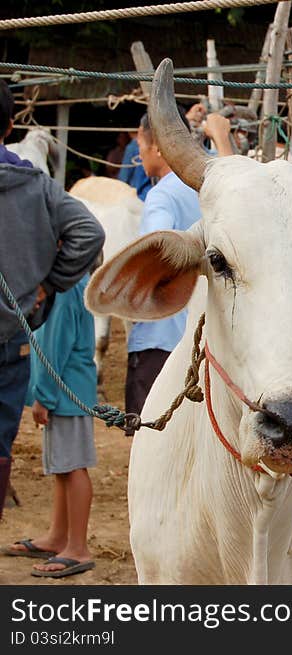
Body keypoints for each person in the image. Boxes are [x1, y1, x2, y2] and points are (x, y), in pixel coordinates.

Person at [0, 80, 105, 521]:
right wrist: (45, 284)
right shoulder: (37, 187)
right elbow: (90, 233)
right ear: (9, 127)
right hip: (11, 338)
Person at [123, 107, 230, 435]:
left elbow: (157, 256)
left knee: (152, 439)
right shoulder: (221, 181)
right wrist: (223, 139)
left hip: (162, 337)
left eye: (141, 145)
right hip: (213, 340)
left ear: (158, 147)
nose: (139, 154)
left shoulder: (162, 196)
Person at [1, 270, 99, 578]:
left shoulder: (65, 289)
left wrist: (44, 395)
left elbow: (54, 346)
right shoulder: (70, 284)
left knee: (73, 466)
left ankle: (79, 547)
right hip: (67, 391)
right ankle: (59, 536)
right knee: (62, 467)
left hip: (65, 392)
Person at [117, 130, 153, 201]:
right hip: (150, 193)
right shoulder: (153, 144)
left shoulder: (132, 147)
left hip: (138, 197)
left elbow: (123, 178)